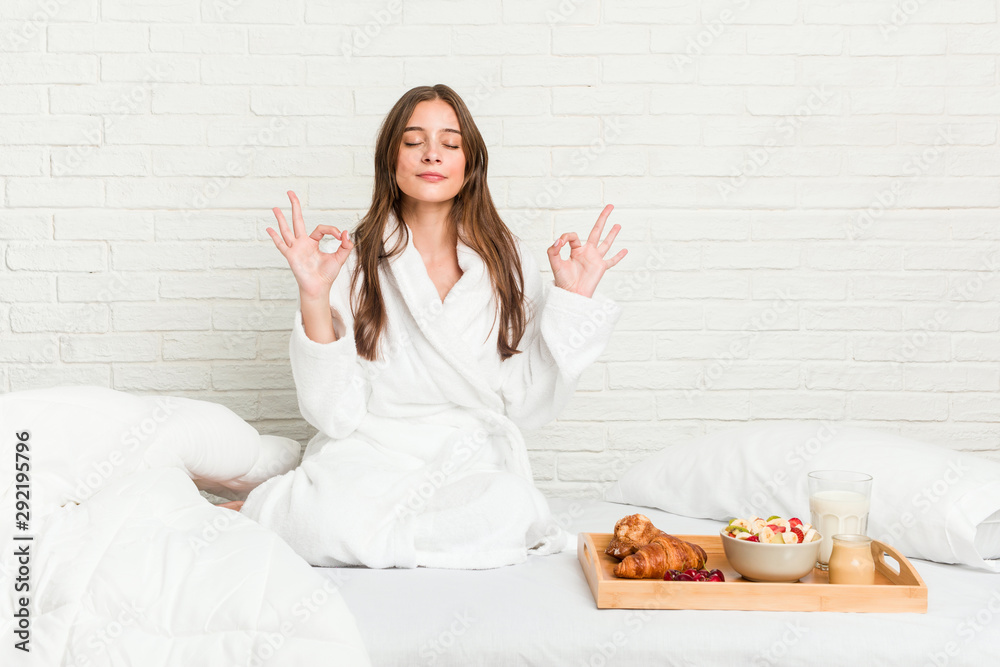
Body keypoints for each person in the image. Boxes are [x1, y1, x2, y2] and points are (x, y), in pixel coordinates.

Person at [229, 84, 627, 569]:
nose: (432, 154)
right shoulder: (351, 259)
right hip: (370, 452)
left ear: (470, 162)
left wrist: (575, 299)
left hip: (467, 458)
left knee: (512, 505)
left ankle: (316, 523)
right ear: (391, 160)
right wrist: (314, 294)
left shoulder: (510, 260)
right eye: (414, 141)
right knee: (338, 500)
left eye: (450, 143)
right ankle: (342, 521)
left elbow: (528, 402)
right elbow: (334, 414)